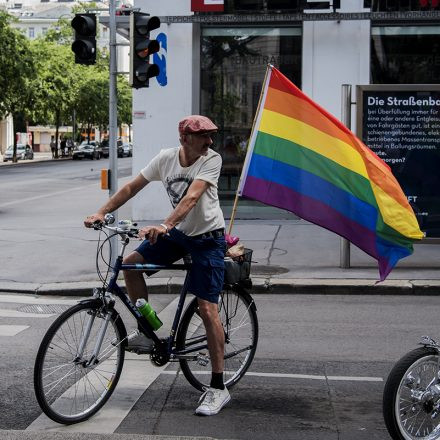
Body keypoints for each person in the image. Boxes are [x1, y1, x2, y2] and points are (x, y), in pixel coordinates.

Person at [84, 115, 230, 416]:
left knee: (206, 308)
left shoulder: (210, 159)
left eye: (212, 136)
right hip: (179, 234)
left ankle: (218, 387)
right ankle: (148, 330)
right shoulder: (165, 159)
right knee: (130, 264)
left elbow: (191, 198)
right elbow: (131, 188)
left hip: (208, 239)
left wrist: (164, 225)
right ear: (185, 139)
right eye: (204, 136)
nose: (210, 141)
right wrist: (100, 212)